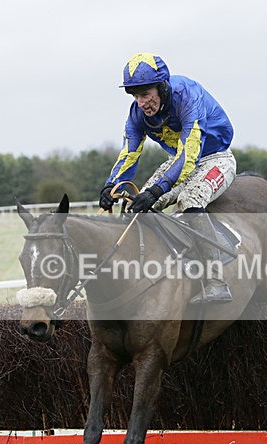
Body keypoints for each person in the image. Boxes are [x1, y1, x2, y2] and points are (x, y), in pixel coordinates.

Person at [99, 53, 236, 303]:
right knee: (136, 205)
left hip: (215, 158)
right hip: (179, 162)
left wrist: (158, 189)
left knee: (189, 201)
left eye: (146, 94)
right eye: (136, 96)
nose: (141, 102)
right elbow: (129, 153)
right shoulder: (137, 114)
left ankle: (216, 281)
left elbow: (190, 154)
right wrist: (112, 185)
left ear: (162, 86)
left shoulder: (187, 95)